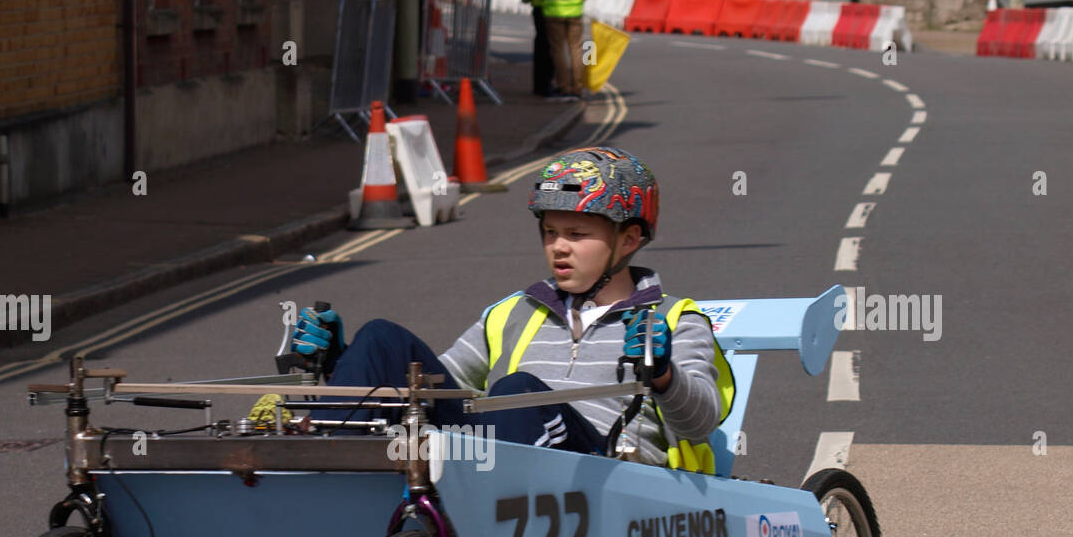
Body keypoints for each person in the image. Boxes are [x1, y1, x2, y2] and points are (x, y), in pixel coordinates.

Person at [280, 145, 734, 473]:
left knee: (518, 392)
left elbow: (700, 422)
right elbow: (441, 389)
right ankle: (324, 475)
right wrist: (348, 369)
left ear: (629, 239)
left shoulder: (672, 319)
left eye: (576, 235)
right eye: (550, 232)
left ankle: (468, 522)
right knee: (381, 339)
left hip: (606, 478)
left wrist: (664, 375)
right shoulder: (515, 311)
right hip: (499, 454)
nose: (557, 248)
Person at [530, 0, 594, 102]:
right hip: (575, 7)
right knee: (576, 48)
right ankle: (577, 86)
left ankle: (563, 86)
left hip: (553, 7)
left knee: (558, 50)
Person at [522, 0, 555, 98]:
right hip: (552, 5)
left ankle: (540, 85)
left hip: (540, 5)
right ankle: (547, 84)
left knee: (541, 45)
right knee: (551, 46)